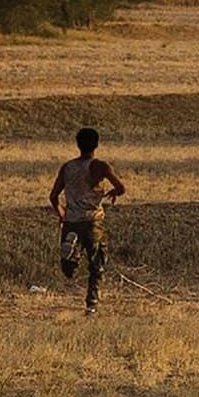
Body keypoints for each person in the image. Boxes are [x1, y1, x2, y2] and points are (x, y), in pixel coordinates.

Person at [48, 126, 125, 314]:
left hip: (71, 221)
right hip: (92, 222)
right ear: (97, 144)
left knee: (69, 271)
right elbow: (121, 187)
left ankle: (72, 253)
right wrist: (113, 192)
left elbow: (53, 196)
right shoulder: (100, 166)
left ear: (77, 145)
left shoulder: (67, 167)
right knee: (96, 264)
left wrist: (62, 215)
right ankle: (91, 304)